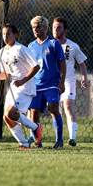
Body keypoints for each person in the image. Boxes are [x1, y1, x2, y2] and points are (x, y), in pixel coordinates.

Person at [0, 24, 42, 149]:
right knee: (6, 117)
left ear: (16, 34)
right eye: (4, 34)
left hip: (25, 87)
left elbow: (36, 66)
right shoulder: (2, 52)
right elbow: (8, 74)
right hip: (13, 87)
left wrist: (23, 80)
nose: (5, 36)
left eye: (8, 33)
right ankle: (24, 143)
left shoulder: (22, 49)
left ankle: (36, 127)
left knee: (11, 112)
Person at [28, 16, 66, 149]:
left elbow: (62, 63)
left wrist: (61, 82)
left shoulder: (53, 43)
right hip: (36, 85)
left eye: (38, 27)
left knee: (53, 108)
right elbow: (29, 66)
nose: (35, 30)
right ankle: (37, 141)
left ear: (44, 27)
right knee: (34, 113)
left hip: (52, 84)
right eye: (33, 27)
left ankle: (59, 140)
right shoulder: (31, 46)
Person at [52, 17, 88, 147]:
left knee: (67, 106)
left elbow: (82, 64)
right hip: (52, 82)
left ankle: (72, 138)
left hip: (68, 81)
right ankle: (58, 138)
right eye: (54, 27)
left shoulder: (72, 46)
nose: (56, 29)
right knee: (54, 109)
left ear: (65, 30)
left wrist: (84, 77)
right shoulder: (48, 44)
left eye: (59, 27)